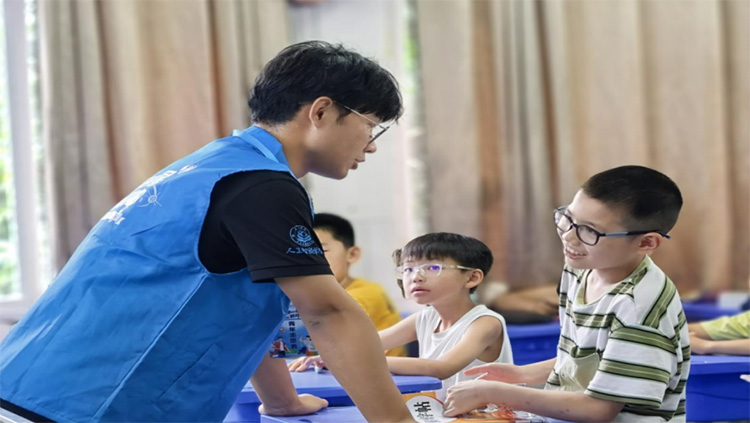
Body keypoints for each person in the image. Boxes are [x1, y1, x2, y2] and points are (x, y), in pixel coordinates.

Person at [0, 41, 414, 423]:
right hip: (79, 406)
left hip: (29, 384)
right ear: (321, 112)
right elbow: (329, 313)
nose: (371, 145)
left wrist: (281, 402)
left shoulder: (216, 167)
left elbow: (245, 306)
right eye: (371, 126)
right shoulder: (263, 186)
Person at [443, 165, 690, 422]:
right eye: (568, 218)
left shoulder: (639, 310)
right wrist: (522, 375)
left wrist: (496, 393)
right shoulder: (582, 267)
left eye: (590, 231)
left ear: (646, 243)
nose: (569, 237)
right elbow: (585, 359)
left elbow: (600, 410)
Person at [290, 232, 513, 400]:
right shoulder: (424, 318)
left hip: (490, 416)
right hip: (443, 411)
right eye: (408, 269)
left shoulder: (485, 323)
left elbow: (441, 368)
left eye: (433, 268)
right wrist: (323, 355)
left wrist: (352, 360)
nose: (416, 277)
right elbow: (367, 345)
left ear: (472, 278)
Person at [313, 212, 406, 356]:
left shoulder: (368, 293)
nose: (309, 260)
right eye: (299, 253)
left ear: (352, 254)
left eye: (321, 251)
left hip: (385, 369)